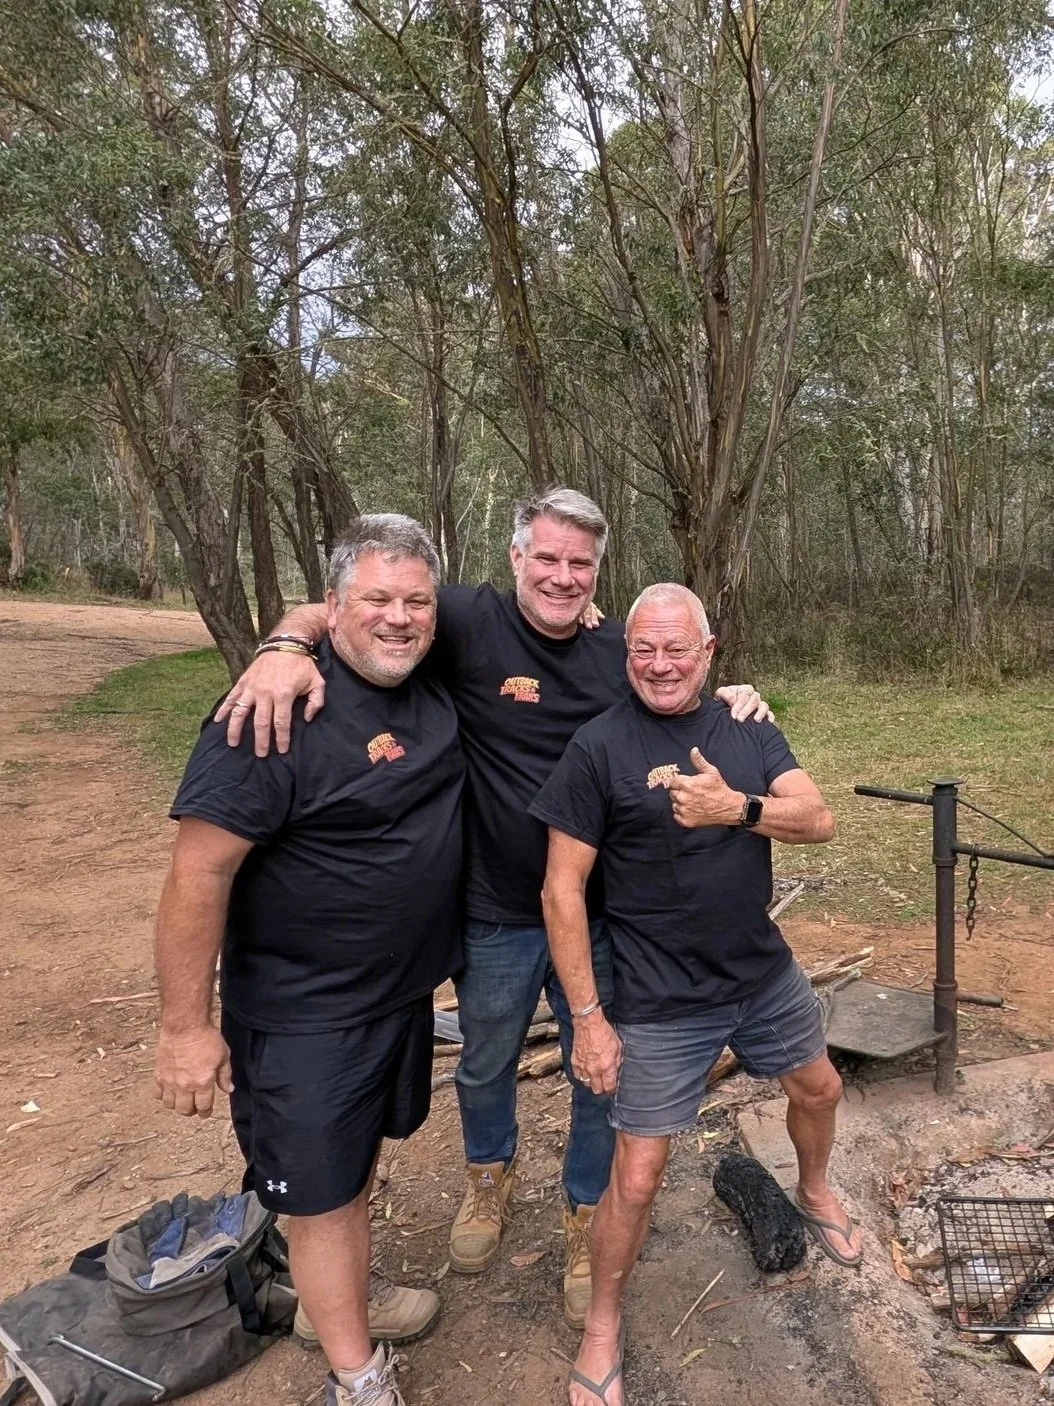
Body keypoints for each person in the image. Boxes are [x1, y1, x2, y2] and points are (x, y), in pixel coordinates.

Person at [218, 489, 770, 1329]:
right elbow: (358, 606)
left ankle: (584, 1210)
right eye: (545, 557)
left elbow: (677, 679)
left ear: (598, 571)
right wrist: (284, 645)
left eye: (579, 563)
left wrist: (739, 696)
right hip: (493, 910)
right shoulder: (466, 621)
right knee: (483, 1061)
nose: (561, 576)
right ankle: (488, 1174)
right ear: (515, 557)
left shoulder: (619, 645)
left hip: (602, 913)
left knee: (600, 1067)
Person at [153, 514, 464, 1406]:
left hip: (397, 998)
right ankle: (357, 1378)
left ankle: (341, 1298)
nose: (399, 617)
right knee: (321, 1198)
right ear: (334, 604)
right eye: (376, 599)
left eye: (416, 601)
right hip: (305, 1015)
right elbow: (199, 872)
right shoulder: (270, 716)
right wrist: (183, 1028)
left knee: (348, 1173)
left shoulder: (426, 672)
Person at [529, 583, 863, 1406]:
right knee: (638, 1175)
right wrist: (588, 1020)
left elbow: (818, 819)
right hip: (659, 998)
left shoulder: (746, 724)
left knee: (819, 1088)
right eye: (643, 648)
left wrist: (734, 808)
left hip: (760, 972)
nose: (659, 664)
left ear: (708, 652)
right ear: (626, 653)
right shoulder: (598, 747)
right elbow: (561, 891)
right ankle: (602, 1325)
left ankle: (814, 1188)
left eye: (677, 648)